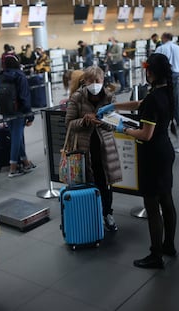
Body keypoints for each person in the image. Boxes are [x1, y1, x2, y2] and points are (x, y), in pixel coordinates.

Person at [97, 53, 177, 269]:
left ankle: (156, 255)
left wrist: (124, 129)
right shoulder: (166, 91)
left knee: (152, 206)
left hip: (152, 156)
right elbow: (141, 103)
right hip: (166, 151)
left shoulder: (154, 98)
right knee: (167, 200)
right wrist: (114, 107)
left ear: (150, 72)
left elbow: (145, 134)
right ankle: (169, 245)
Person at [65, 65, 122, 231]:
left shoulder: (110, 97)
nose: (94, 84)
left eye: (98, 80)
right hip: (83, 148)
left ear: (103, 81)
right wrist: (84, 121)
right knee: (86, 183)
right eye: (91, 80)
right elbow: (68, 124)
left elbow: (115, 124)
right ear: (85, 81)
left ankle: (107, 213)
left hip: (105, 148)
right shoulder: (76, 98)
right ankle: (89, 215)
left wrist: (103, 122)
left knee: (105, 182)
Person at [0, 55, 36, 177]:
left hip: (5, 110)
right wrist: (29, 115)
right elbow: (24, 97)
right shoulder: (20, 75)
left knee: (16, 136)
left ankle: (25, 162)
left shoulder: (1, 75)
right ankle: (13, 168)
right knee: (16, 137)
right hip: (18, 111)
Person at [155, 32, 179, 125]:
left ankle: (164, 121)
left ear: (164, 38)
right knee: (176, 99)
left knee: (163, 98)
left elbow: (154, 62)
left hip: (165, 76)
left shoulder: (161, 48)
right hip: (177, 74)